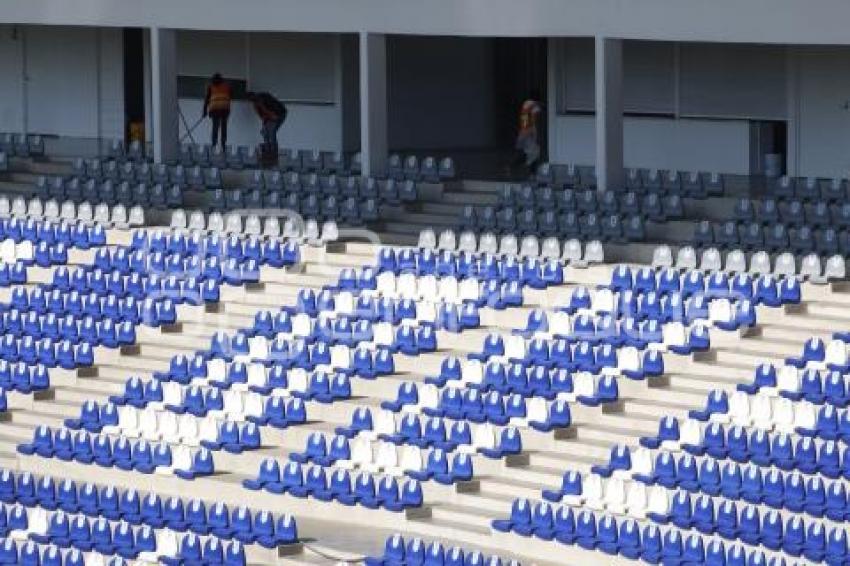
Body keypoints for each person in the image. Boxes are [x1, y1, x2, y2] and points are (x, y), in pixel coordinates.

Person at [247, 91, 287, 165]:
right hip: (271, 115)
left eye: (252, 99)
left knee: (271, 133)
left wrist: (270, 118)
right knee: (264, 132)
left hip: (279, 113)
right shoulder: (255, 103)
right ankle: (267, 150)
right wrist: (264, 121)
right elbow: (261, 114)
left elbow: (270, 113)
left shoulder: (262, 99)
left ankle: (273, 153)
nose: (252, 102)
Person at [510, 91, 543, 177]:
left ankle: (512, 166)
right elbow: (535, 121)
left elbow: (524, 119)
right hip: (530, 132)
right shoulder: (535, 106)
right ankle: (532, 173)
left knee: (526, 152)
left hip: (523, 131)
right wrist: (538, 135)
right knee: (535, 153)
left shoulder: (525, 104)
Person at [202, 73, 232, 150]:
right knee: (223, 127)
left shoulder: (211, 87)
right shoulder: (227, 86)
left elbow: (207, 99)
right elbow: (230, 95)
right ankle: (223, 144)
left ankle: (214, 144)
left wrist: (204, 111)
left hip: (215, 109)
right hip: (224, 109)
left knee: (215, 127)